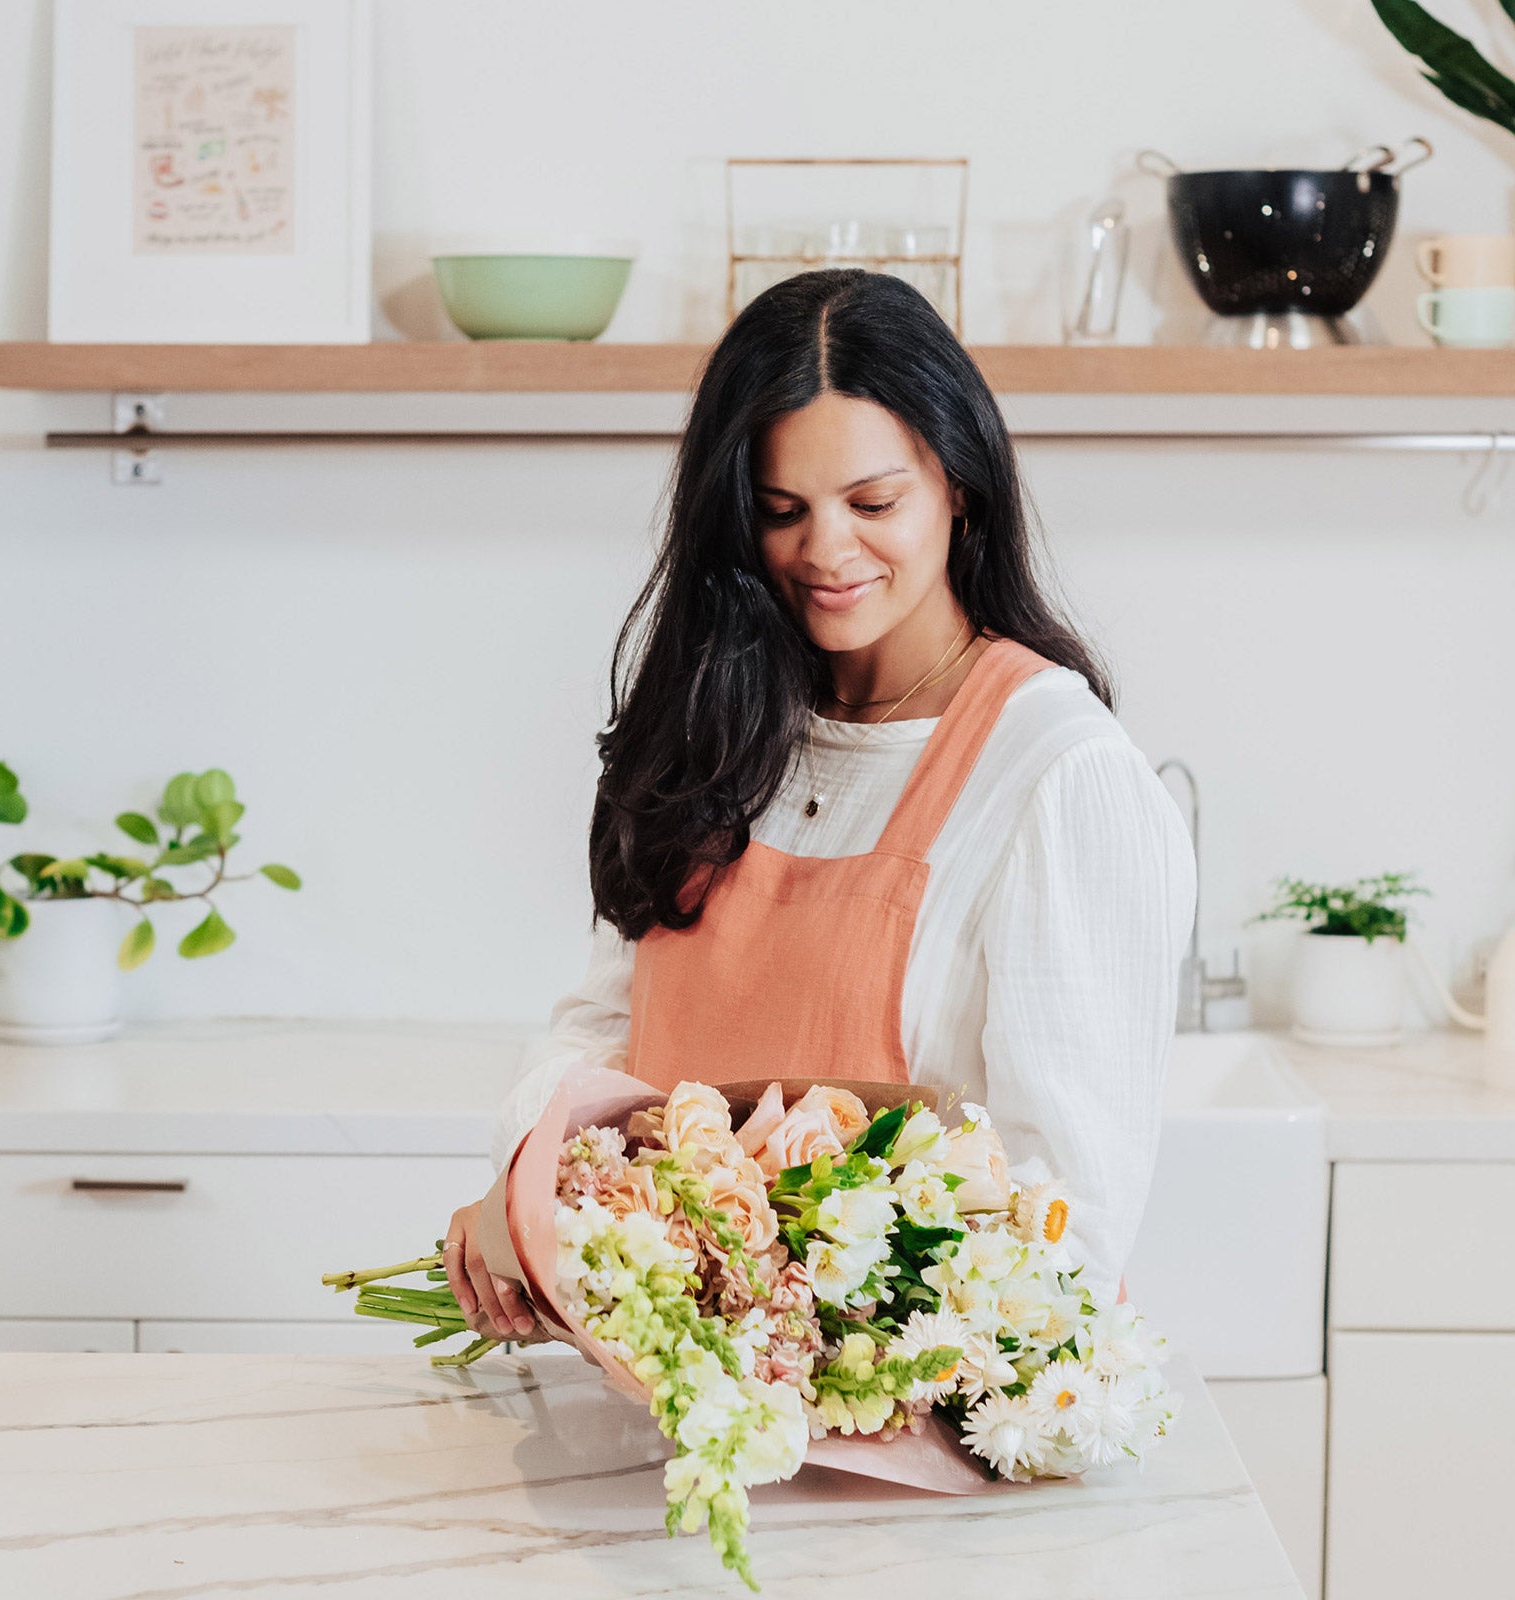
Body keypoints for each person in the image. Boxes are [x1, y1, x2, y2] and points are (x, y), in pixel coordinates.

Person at [443, 267, 1197, 1343]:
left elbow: (1065, 1210)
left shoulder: (1056, 771)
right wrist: (528, 1194)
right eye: (781, 511)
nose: (825, 552)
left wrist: (810, 1353)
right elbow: (606, 1031)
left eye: (873, 503)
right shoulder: (726, 724)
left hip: (894, 1425)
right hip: (663, 1387)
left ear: (961, 486)